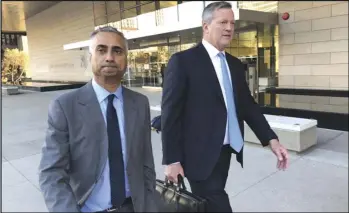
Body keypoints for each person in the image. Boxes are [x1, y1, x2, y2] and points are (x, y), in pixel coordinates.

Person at [161, 1, 289, 212]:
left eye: (232, 23)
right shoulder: (183, 61)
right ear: (206, 26)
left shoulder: (235, 64)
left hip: (225, 152)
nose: (229, 28)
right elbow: (170, 114)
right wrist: (172, 159)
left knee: (205, 205)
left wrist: (272, 140)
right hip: (197, 156)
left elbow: (248, 106)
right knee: (218, 205)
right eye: (223, 22)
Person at [38, 26, 157, 212]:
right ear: (89, 57)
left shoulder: (139, 103)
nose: (109, 57)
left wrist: (151, 206)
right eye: (101, 50)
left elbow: (146, 164)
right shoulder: (65, 106)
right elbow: (51, 173)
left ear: (126, 60)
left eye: (117, 51)